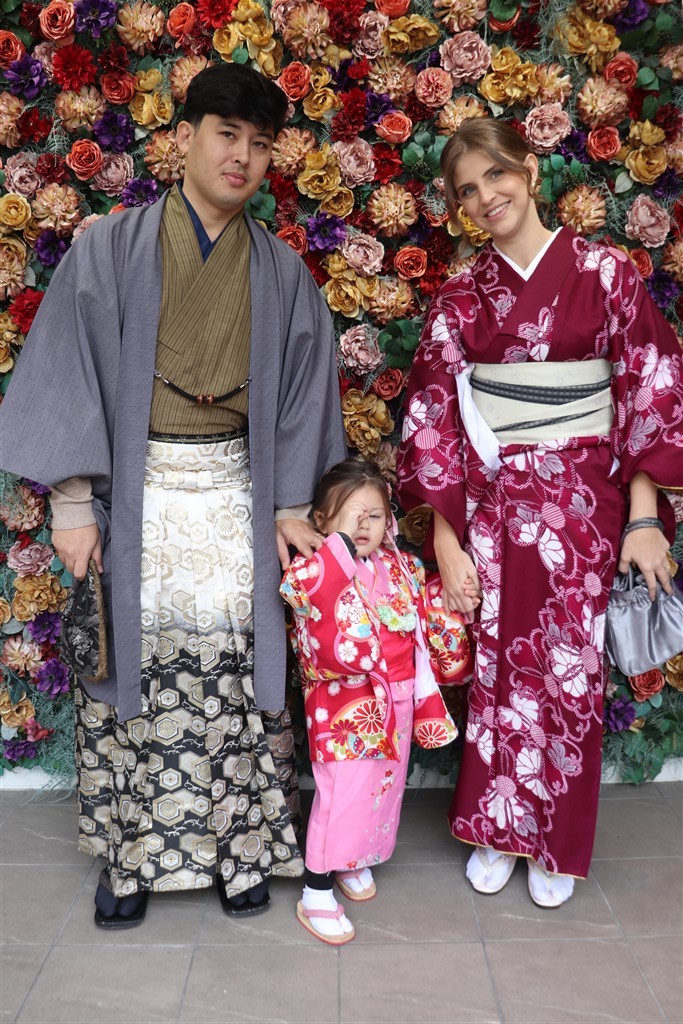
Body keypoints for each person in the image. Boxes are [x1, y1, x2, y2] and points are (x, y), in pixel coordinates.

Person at [0, 63, 347, 927]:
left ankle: (241, 853)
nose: (241, 157)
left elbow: (304, 396)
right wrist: (72, 505)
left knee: (234, 675)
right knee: (137, 675)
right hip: (137, 493)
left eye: (259, 144)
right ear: (183, 137)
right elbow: (70, 373)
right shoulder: (108, 250)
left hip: (238, 494)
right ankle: (130, 861)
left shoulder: (281, 272)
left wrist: (288, 506)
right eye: (226, 135)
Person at [397, 118, 683, 908]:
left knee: (568, 672)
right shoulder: (461, 297)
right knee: (498, 667)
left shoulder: (605, 273)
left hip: (586, 507)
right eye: (466, 190)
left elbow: (650, 388)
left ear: (528, 170)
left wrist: (643, 518)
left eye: (495, 175)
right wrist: (446, 542)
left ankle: (554, 837)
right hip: (495, 508)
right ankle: (496, 828)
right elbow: (432, 420)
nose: (484, 197)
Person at [279, 458, 457, 944]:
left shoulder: (398, 567)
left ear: (389, 521)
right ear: (321, 520)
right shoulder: (311, 570)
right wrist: (335, 550)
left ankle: (353, 859)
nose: (363, 526)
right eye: (350, 515)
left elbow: (419, 628)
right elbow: (316, 613)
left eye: (374, 515)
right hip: (345, 704)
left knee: (382, 787)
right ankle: (316, 891)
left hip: (395, 699)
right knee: (342, 795)